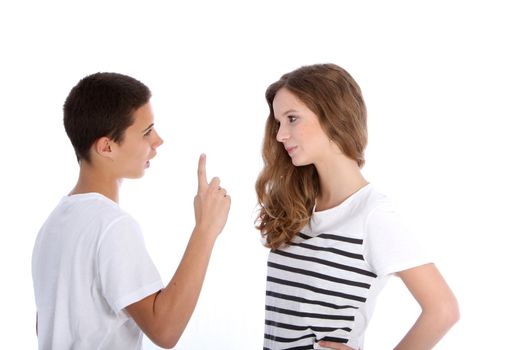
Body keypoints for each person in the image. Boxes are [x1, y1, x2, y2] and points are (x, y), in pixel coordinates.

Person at [255, 63, 459, 350]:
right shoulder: (297, 208)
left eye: (292, 119)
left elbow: (443, 310)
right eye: (278, 123)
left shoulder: (372, 215)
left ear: (332, 116)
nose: (280, 135)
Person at [31, 72, 231, 349]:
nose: (158, 140)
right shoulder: (111, 225)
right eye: (147, 131)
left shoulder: (52, 225)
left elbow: (46, 326)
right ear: (107, 147)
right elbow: (165, 330)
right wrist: (206, 229)